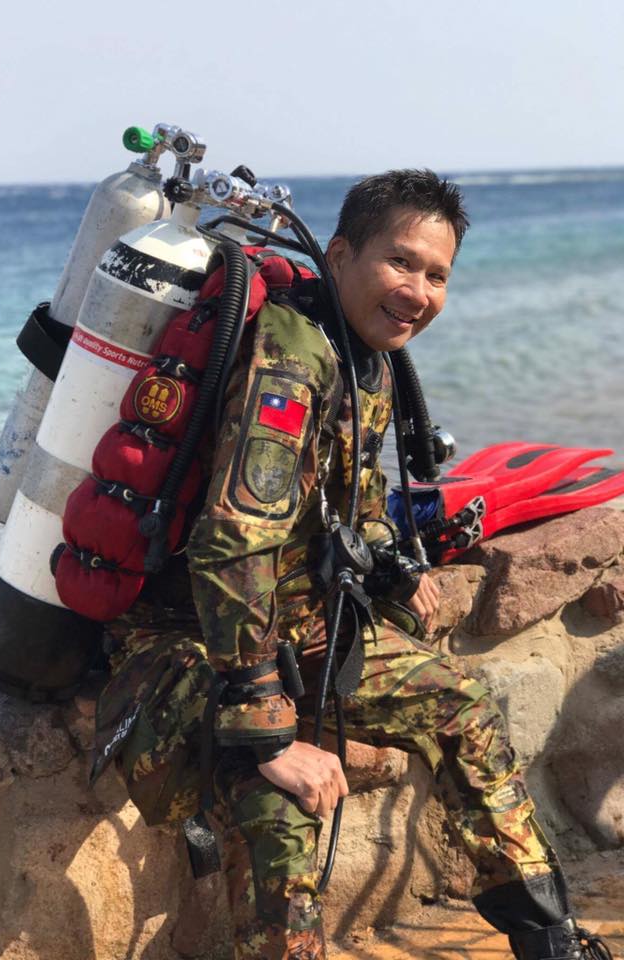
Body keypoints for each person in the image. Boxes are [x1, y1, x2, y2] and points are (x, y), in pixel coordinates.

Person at [94, 170, 609, 960]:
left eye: (437, 275)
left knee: (461, 703)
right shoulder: (291, 359)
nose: (418, 291)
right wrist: (267, 731)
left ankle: (548, 937)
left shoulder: (356, 348)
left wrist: (394, 570)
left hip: (287, 623)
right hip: (183, 642)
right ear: (339, 255)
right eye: (401, 263)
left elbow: (341, 499)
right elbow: (232, 542)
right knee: (282, 805)